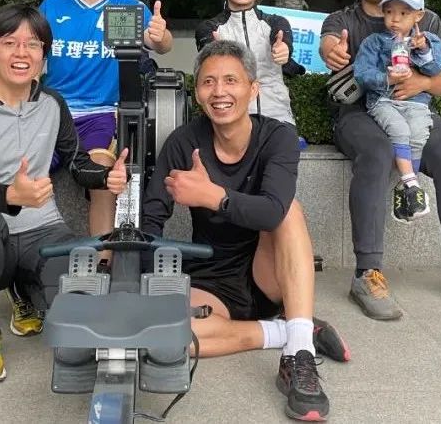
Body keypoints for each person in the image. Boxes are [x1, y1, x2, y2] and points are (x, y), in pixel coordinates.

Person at [142, 40, 349, 422]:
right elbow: (151, 217)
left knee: (289, 211)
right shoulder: (184, 142)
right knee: (164, 337)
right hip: (211, 277)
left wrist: (213, 196)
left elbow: (272, 211)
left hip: (266, 271)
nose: (219, 92)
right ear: (197, 93)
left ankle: (299, 356)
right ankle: (289, 331)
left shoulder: (277, 137)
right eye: (208, 82)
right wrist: (141, 279)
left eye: (231, 81)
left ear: (253, 88)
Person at [0, 4, 128, 384]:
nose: (21, 53)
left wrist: (106, 177)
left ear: (44, 54)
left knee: (80, 279)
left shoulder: (53, 103)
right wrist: (11, 194)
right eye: (10, 43)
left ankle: (26, 293)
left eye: (33, 44)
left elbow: (76, 163)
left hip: (42, 230)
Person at [320, 0, 441, 321]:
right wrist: (333, 50)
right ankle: (367, 273)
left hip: (414, 109)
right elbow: (329, 44)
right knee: (377, 152)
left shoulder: (427, 21)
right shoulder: (343, 20)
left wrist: (420, 83)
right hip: (358, 114)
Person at [38, 0, 172, 268]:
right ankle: (27, 265)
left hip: (101, 114)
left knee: (103, 174)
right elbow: (30, 56)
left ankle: (103, 265)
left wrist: (160, 37)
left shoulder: (127, 8)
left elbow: (160, 43)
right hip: (52, 112)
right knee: (26, 171)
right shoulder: (52, 6)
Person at [352, 0, 441, 222]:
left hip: (417, 103)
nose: (395, 19)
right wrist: (387, 78)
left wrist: (423, 50)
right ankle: (412, 184)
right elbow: (361, 74)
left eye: (404, 13)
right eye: (389, 12)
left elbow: (437, 68)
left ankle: (406, 190)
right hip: (383, 101)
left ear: (418, 15)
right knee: (399, 129)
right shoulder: (373, 42)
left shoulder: (428, 40)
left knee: (418, 134)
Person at [195, 0, 305, 128]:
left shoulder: (276, 22)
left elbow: (283, 41)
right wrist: (216, 56)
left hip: (277, 116)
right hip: (228, 119)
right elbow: (210, 65)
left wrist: (283, 50)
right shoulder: (209, 28)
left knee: (283, 143)